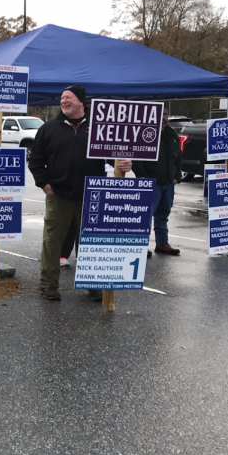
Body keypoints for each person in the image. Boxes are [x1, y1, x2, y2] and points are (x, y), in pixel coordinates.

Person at [28, 85, 132, 302]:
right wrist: (44, 184)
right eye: (62, 97)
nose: (63, 101)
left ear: (81, 102)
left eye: (68, 97)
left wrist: (125, 164)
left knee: (89, 242)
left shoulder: (99, 127)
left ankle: (92, 284)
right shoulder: (49, 128)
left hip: (92, 196)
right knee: (52, 241)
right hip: (59, 195)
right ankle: (48, 284)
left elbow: (117, 154)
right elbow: (36, 159)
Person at [132, 108, 182, 258]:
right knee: (145, 216)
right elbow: (136, 157)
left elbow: (178, 157)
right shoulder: (143, 133)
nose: (162, 118)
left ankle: (162, 243)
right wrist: (143, 177)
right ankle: (141, 245)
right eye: (159, 115)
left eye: (165, 114)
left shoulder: (172, 135)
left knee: (163, 214)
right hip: (150, 183)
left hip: (168, 183)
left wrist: (177, 176)